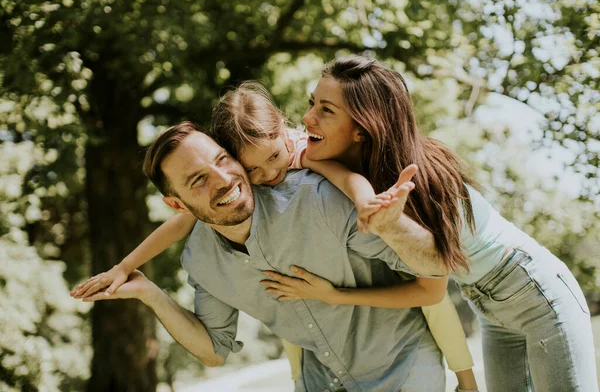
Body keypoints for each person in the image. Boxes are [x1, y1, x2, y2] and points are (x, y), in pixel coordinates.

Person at [71, 83, 479, 390]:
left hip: (400, 365)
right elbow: (215, 351)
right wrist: (144, 288)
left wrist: (383, 217)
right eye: (198, 180)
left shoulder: (314, 195)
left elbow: (433, 271)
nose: (225, 179)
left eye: (221, 161)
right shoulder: (202, 261)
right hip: (321, 378)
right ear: (176, 205)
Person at [262, 56, 598, 392]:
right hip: (488, 307)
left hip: (533, 290)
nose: (307, 118)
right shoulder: (335, 160)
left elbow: (430, 290)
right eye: (311, 104)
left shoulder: (414, 181)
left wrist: (337, 295)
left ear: (362, 129)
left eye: (326, 110)